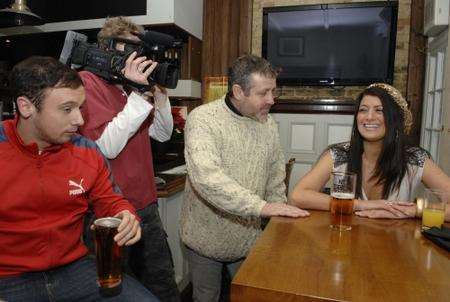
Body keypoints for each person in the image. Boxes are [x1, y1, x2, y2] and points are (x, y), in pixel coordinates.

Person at [0, 56, 158, 301]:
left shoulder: (86, 151)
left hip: (74, 270)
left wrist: (125, 215)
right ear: (26, 106)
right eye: (67, 109)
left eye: (80, 108)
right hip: (9, 278)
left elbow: (111, 200)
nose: (79, 120)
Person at [180, 54, 310, 302]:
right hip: (205, 240)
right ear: (238, 91)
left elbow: (274, 173)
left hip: (249, 240)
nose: (272, 100)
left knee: (251, 296)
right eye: (263, 93)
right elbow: (208, 178)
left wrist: (277, 216)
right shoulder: (203, 119)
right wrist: (262, 207)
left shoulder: (268, 123)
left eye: (273, 91)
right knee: (206, 298)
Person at [78, 17, 179, 302]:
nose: (137, 57)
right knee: (114, 290)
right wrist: (139, 94)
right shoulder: (88, 82)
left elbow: (161, 133)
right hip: (108, 212)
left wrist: (157, 94)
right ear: (109, 47)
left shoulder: (129, 87)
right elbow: (105, 148)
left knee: (162, 285)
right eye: (130, 48)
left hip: (145, 204)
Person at [289, 83, 450, 221]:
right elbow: (297, 196)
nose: (369, 117)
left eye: (379, 110)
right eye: (363, 110)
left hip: (396, 247)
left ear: (394, 119)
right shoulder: (339, 154)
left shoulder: (415, 159)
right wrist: (360, 205)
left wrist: (414, 210)